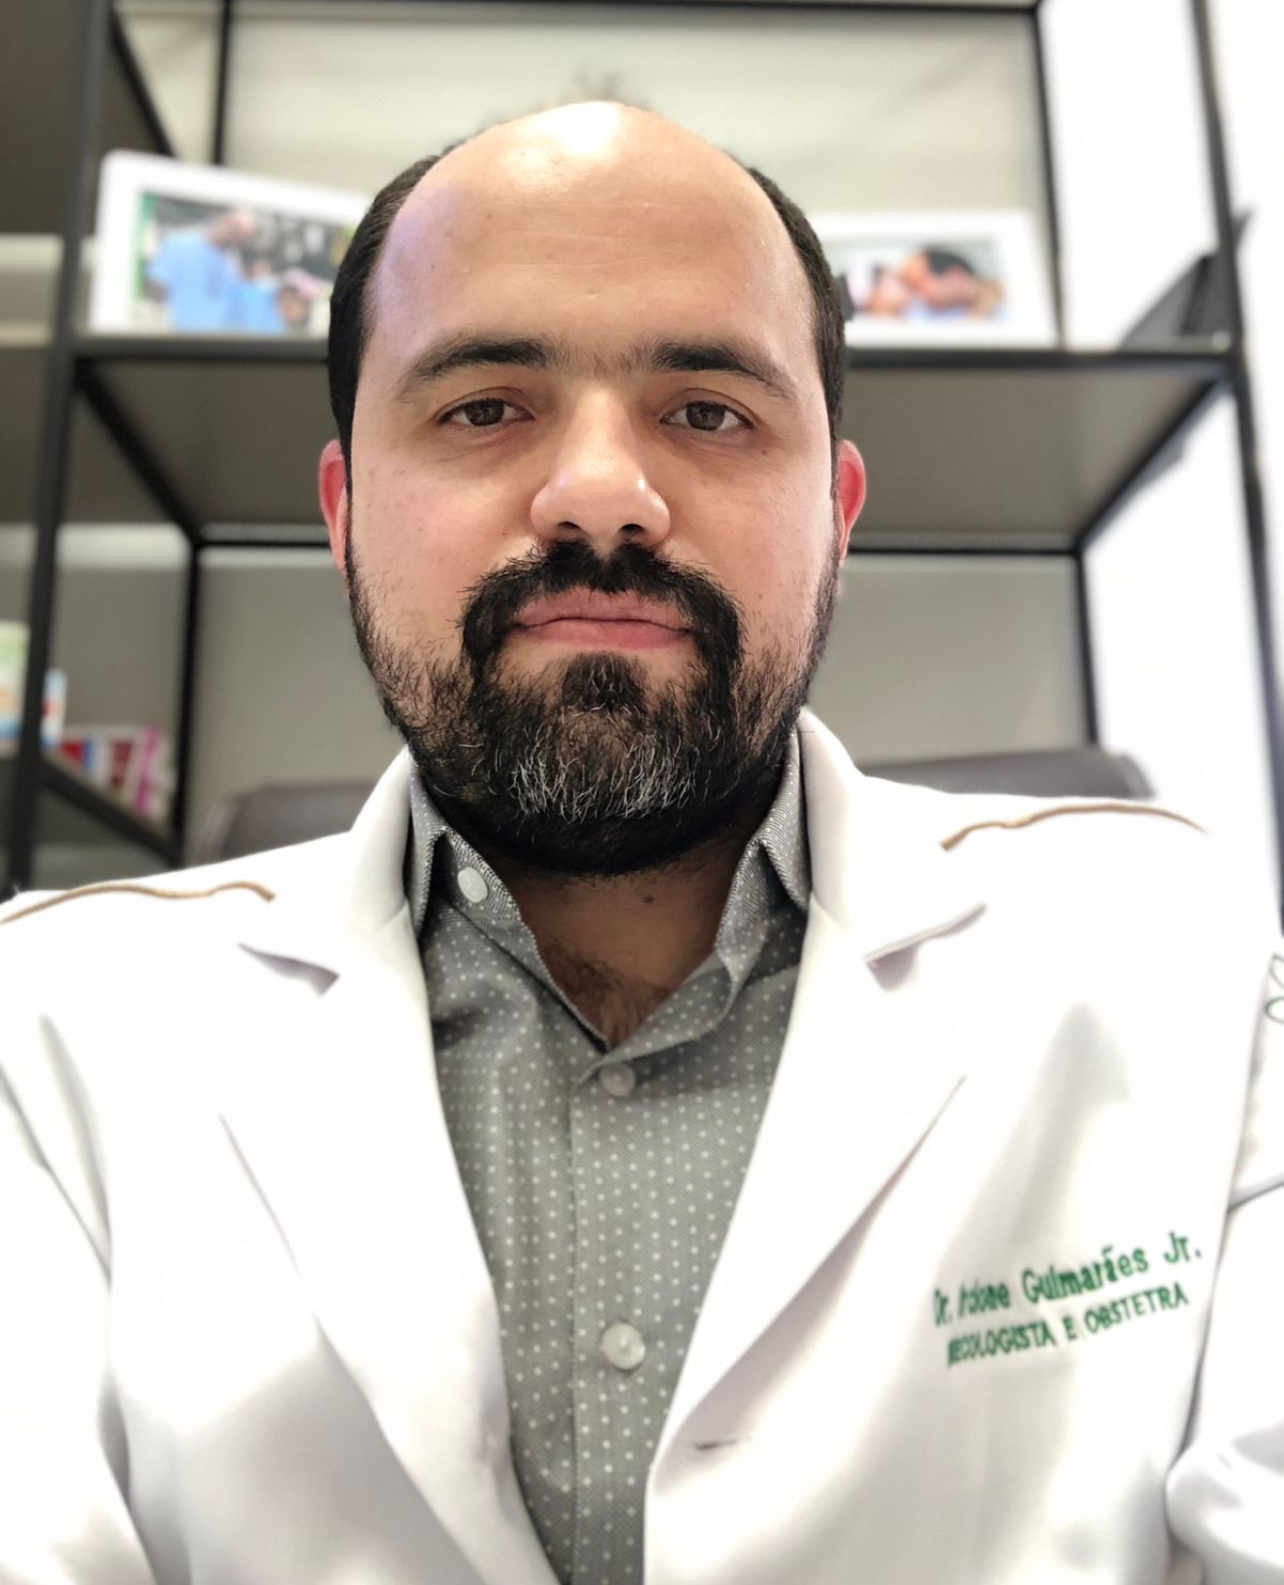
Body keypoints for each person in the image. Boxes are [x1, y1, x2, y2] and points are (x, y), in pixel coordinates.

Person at [1, 101, 1281, 1585]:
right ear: (344, 514)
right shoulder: (52, 1030)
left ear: (837, 513)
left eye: (709, 411)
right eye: (485, 406)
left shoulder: (1178, 957)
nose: (602, 495)